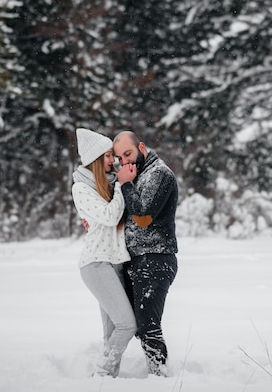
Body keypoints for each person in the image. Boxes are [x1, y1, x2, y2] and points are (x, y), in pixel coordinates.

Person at [71, 128, 136, 378]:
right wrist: (122, 183)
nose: (114, 160)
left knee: (112, 332)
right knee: (127, 325)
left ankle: (106, 382)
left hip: (115, 264)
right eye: (109, 155)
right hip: (96, 264)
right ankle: (101, 373)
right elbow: (110, 216)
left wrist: (120, 184)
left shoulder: (107, 185)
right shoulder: (81, 188)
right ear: (97, 158)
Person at [113, 130, 179, 376]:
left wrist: (125, 184)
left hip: (155, 258)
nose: (124, 162)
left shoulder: (159, 174)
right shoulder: (137, 175)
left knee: (149, 327)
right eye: (119, 158)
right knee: (135, 326)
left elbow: (142, 218)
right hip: (136, 260)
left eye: (128, 154)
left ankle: (160, 378)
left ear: (141, 147)